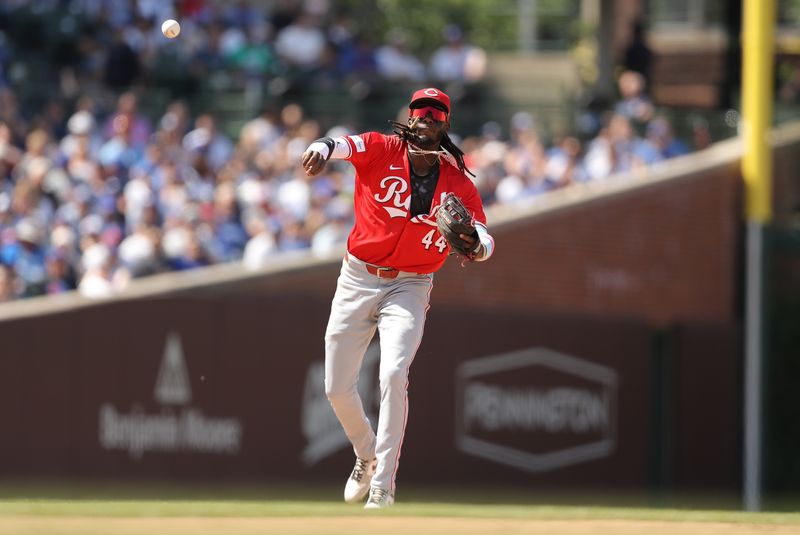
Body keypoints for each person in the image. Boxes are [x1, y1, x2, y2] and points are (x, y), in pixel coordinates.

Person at [301, 87, 495, 509]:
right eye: (421, 110)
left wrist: (477, 245)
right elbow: (340, 144)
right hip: (357, 277)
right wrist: (319, 147)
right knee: (336, 387)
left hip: (411, 283)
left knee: (392, 374)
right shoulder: (380, 148)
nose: (427, 116)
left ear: (446, 123)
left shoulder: (457, 180)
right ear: (409, 117)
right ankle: (365, 453)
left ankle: (383, 487)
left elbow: (485, 238)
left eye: (436, 112)